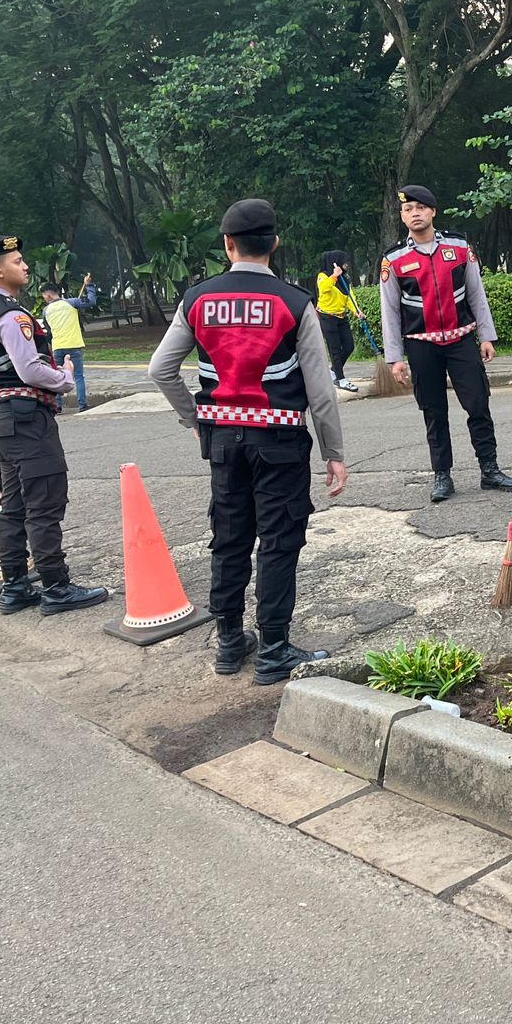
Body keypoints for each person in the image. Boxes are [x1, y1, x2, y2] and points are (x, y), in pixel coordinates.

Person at [147, 199, 347, 685]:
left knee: (230, 537)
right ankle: (275, 647)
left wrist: (195, 417)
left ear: (227, 244)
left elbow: (160, 369)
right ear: (274, 243)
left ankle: (230, 641)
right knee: (278, 539)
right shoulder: (296, 303)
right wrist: (334, 454)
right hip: (278, 440)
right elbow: (320, 391)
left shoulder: (197, 299)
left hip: (222, 442)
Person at [0, 234, 109, 616]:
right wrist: (64, 379)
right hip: (26, 420)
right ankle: (55, 586)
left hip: (4, 420)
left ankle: (15, 587)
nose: (25, 266)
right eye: (17, 261)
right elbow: (28, 367)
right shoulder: (13, 316)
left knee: (14, 506)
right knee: (45, 504)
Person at [378, 184, 512, 503]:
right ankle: (442, 475)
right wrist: (395, 357)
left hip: (461, 340)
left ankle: (489, 469)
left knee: (478, 403)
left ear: (433, 211)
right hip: (421, 345)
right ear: (402, 216)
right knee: (433, 410)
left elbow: (476, 293)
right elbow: (390, 310)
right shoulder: (394, 258)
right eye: (407, 209)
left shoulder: (458, 246)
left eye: (420, 207)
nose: (414, 213)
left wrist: (486, 336)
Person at [42, 272, 99, 412]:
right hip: (74, 345)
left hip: (57, 347)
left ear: (48, 296)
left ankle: (57, 406)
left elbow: (48, 331)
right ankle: (82, 405)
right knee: (78, 376)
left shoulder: (46, 311)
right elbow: (91, 301)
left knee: (57, 376)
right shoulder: (71, 303)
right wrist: (89, 285)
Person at [315, 251, 365, 393]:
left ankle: (333, 372)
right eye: (344, 262)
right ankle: (341, 379)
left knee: (349, 346)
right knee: (335, 349)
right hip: (327, 317)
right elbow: (324, 289)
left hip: (342, 317)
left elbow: (349, 297)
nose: (346, 265)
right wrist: (333, 276)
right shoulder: (323, 276)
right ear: (335, 262)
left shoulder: (345, 278)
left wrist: (357, 311)